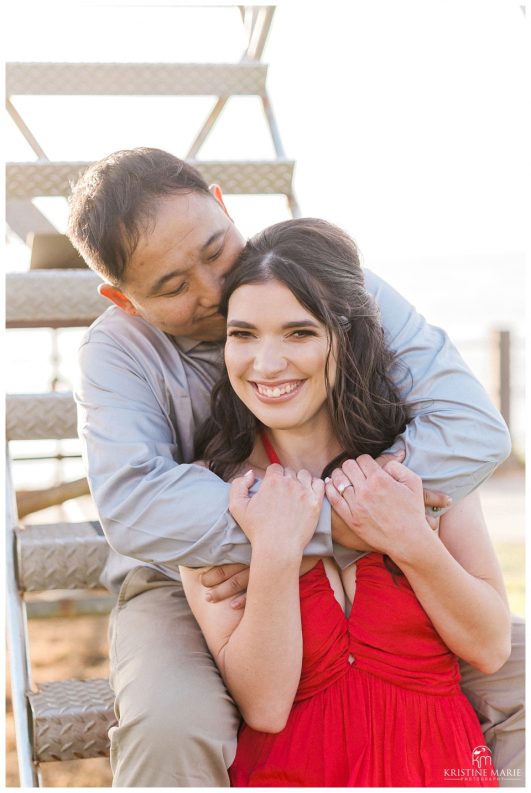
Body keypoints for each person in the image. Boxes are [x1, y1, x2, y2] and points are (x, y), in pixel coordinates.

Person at [67, 148, 523, 787]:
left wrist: (360, 515)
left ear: (224, 207)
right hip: (194, 567)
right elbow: (136, 511)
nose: (213, 291)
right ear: (124, 299)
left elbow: (472, 431)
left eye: (214, 249)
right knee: (171, 721)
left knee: (517, 671)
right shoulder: (116, 354)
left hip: (365, 521)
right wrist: (309, 530)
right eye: (172, 286)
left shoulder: (324, 281)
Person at [180, 217, 511, 785]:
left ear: (345, 336)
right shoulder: (209, 492)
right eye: (244, 334)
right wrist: (278, 551)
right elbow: (265, 706)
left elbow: (489, 647)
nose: (266, 364)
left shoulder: (420, 467)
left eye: (299, 333)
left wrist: (409, 538)